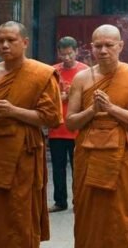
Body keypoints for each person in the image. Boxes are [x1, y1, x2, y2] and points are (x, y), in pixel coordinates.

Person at [0, 21, 63, 248]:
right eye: (1, 41)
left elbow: (52, 118)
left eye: (11, 40)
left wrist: (13, 111)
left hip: (23, 157)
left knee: (19, 212)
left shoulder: (41, 74)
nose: (5, 45)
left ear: (25, 42)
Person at [65, 25, 128, 248]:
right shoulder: (81, 78)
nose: (103, 50)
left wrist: (111, 108)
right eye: (98, 46)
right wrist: (92, 111)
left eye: (109, 45)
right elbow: (70, 122)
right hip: (88, 158)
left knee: (119, 216)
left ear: (120, 46)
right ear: (91, 48)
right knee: (89, 217)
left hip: (121, 159)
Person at [49, 36, 88, 212]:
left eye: (70, 54)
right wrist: (59, 97)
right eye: (63, 54)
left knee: (78, 168)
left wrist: (72, 96)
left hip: (77, 129)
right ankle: (60, 201)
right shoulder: (52, 72)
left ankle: (79, 200)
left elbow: (89, 100)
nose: (66, 58)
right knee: (58, 168)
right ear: (58, 53)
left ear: (76, 52)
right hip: (56, 128)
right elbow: (43, 98)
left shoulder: (85, 71)